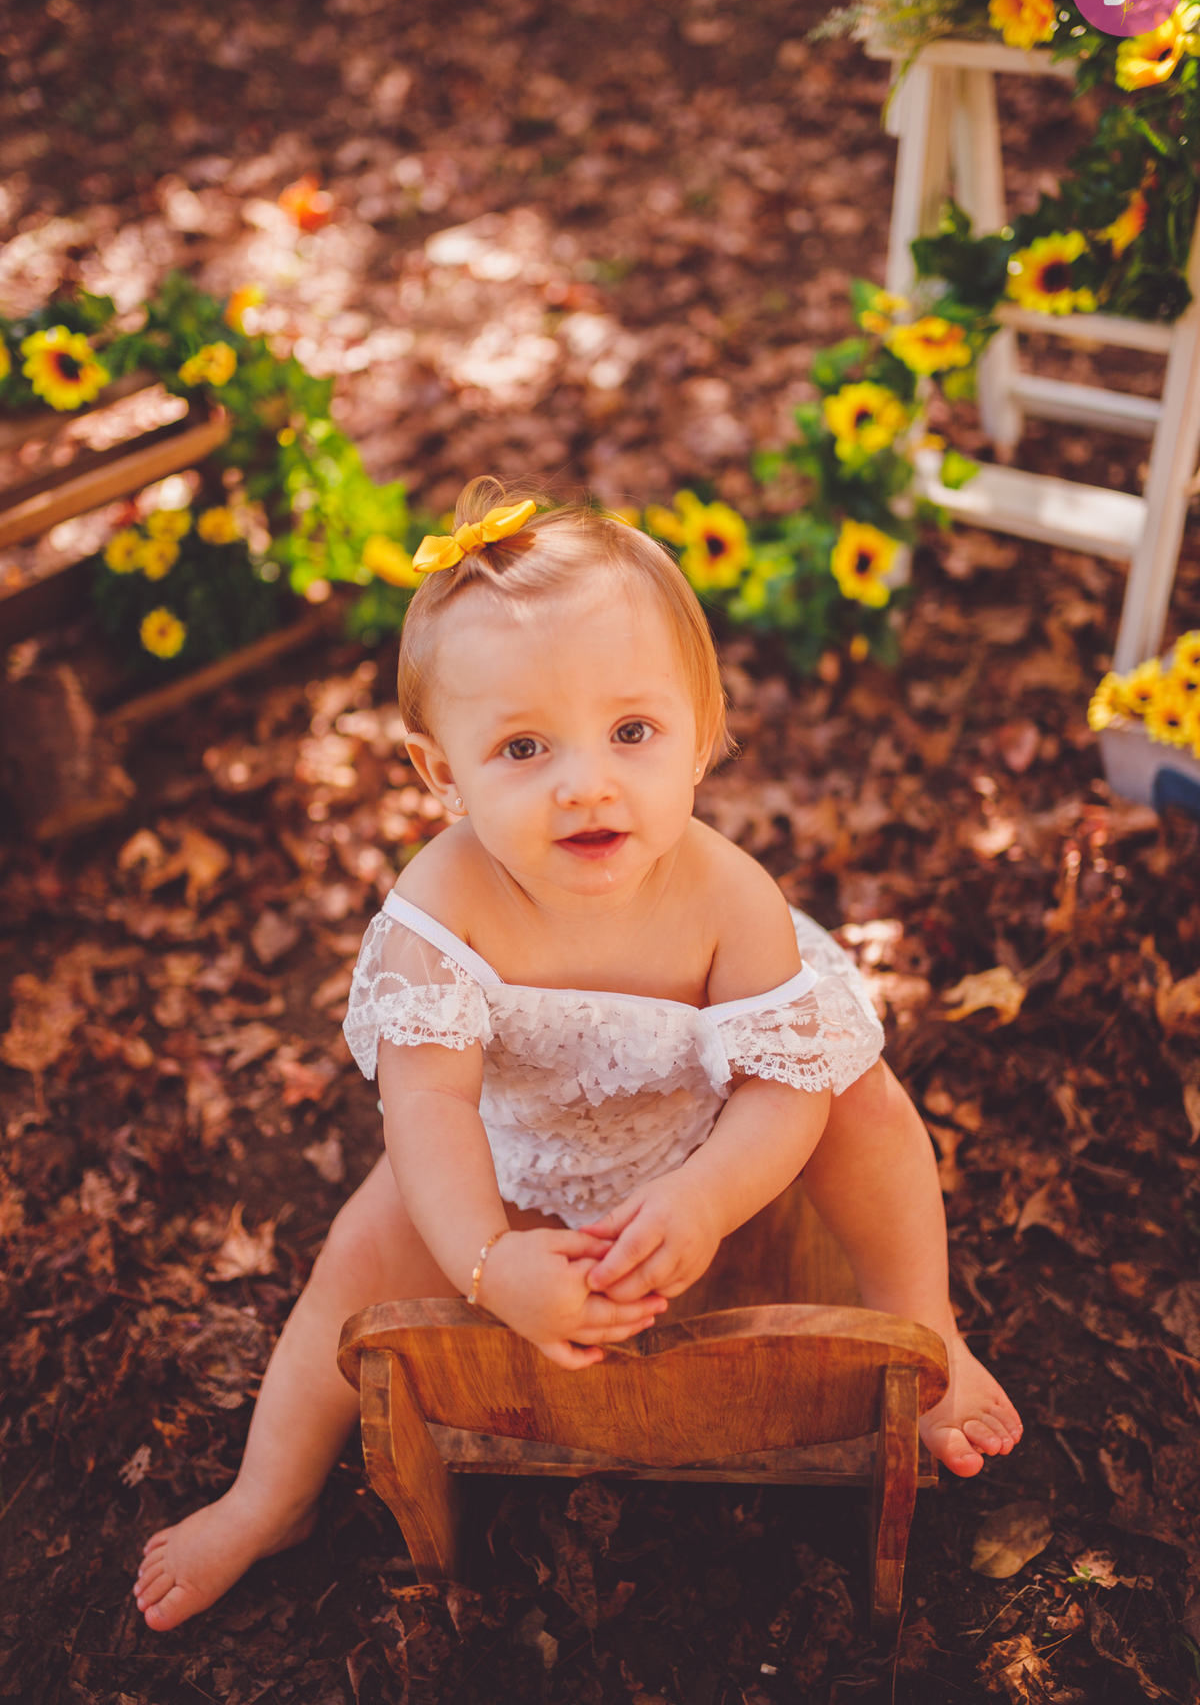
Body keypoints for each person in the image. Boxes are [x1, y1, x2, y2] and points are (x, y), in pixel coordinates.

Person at [134, 479, 1021, 1631]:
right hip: (513, 1147)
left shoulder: (727, 894)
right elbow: (433, 1113)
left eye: (632, 731)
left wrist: (705, 1196)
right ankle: (268, 1497)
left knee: (863, 1104)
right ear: (437, 772)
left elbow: (780, 1088)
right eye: (521, 746)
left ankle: (930, 1323)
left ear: (701, 733)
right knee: (354, 1255)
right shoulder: (437, 915)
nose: (586, 781)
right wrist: (488, 1263)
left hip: (698, 1122)